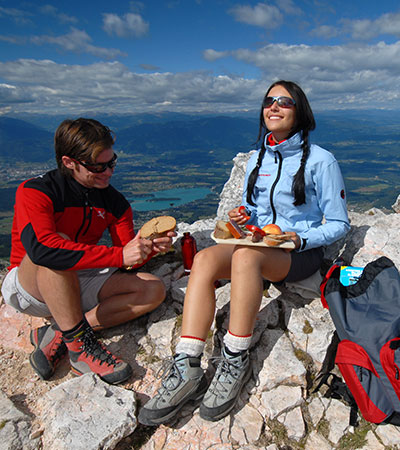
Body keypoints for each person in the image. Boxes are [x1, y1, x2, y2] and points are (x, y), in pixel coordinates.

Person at [138, 80, 350, 425]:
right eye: (269, 101)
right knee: (206, 258)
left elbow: (339, 223)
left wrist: (300, 239)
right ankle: (187, 364)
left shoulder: (321, 161)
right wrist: (243, 216)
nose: (274, 107)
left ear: (301, 111)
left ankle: (236, 355)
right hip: (261, 244)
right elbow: (254, 209)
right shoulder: (258, 158)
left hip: (298, 252)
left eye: (284, 102)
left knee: (245, 258)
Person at [1, 118, 175, 385]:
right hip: (30, 285)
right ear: (69, 162)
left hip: (80, 278)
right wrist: (118, 256)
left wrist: (147, 249)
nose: (108, 172)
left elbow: (127, 260)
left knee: (153, 290)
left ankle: (63, 331)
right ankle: (80, 350)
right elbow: (43, 249)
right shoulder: (37, 191)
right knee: (56, 247)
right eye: (98, 166)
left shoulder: (113, 201)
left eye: (111, 162)